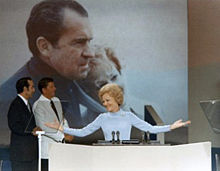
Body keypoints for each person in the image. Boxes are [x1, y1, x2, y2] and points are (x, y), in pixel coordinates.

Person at [0, 0, 105, 145]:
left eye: (89, 42)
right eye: (79, 42)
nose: (90, 53)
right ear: (44, 47)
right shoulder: (9, 101)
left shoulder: (75, 83)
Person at [45, 83, 191, 141]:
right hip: (107, 156)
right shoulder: (102, 117)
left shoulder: (128, 116)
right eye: (103, 101)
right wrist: (60, 128)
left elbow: (150, 128)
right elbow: (83, 132)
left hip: (126, 156)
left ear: (117, 99)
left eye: (107, 100)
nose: (104, 104)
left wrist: (171, 127)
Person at [33, 77, 73, 171]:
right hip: (48, 148)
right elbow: (43, 127)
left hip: (60, 148)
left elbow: (62, 119)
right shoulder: (38, 105)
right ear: (44, 90)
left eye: (54, 86)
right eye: (51, 87)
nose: (54, 89)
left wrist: (68, 131)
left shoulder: (56, 100)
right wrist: (62, 137)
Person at [7, 77, 40, 171]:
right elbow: (14, 125)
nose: (34, 90)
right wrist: (31, 131)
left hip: (29, 154)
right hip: (21, 155)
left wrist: (35, 128)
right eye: (32, 87)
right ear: (25, 89)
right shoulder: (16, 104)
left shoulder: (27, 104)